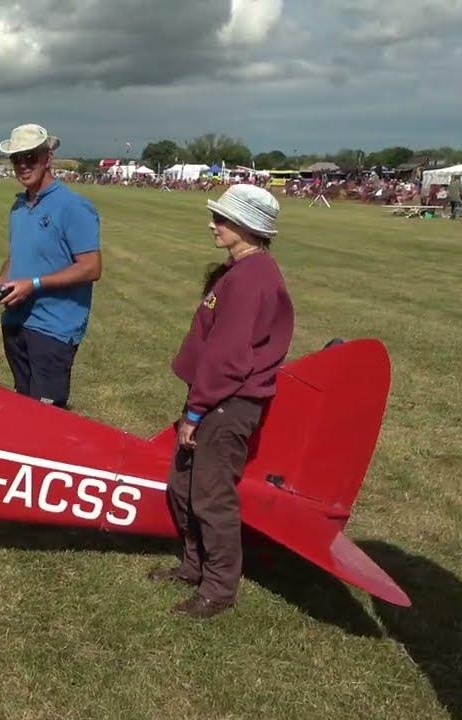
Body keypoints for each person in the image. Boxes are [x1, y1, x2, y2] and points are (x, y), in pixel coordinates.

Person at [148, 184, 294, 619]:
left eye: (224, 219)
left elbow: (227, 357)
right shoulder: (240, 271)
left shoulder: (253, 279)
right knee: (182, 487)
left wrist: (197, 410)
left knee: (211, 498)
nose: (214, 224)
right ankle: (193, 567)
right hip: (214, 398)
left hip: (227, 403)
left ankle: (219, 589)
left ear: (248, 227)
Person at [0, 123, 101, 410]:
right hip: (16, 322)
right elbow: (19, 252)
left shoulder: (73, 206)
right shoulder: (19, 206)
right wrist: (1, 280)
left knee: (47, 417)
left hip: (52, 327)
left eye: (30, 157)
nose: (23, 165)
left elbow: (91, 267)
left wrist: (33, 284)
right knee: (22, 408)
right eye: (16, 159)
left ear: (48, 158)